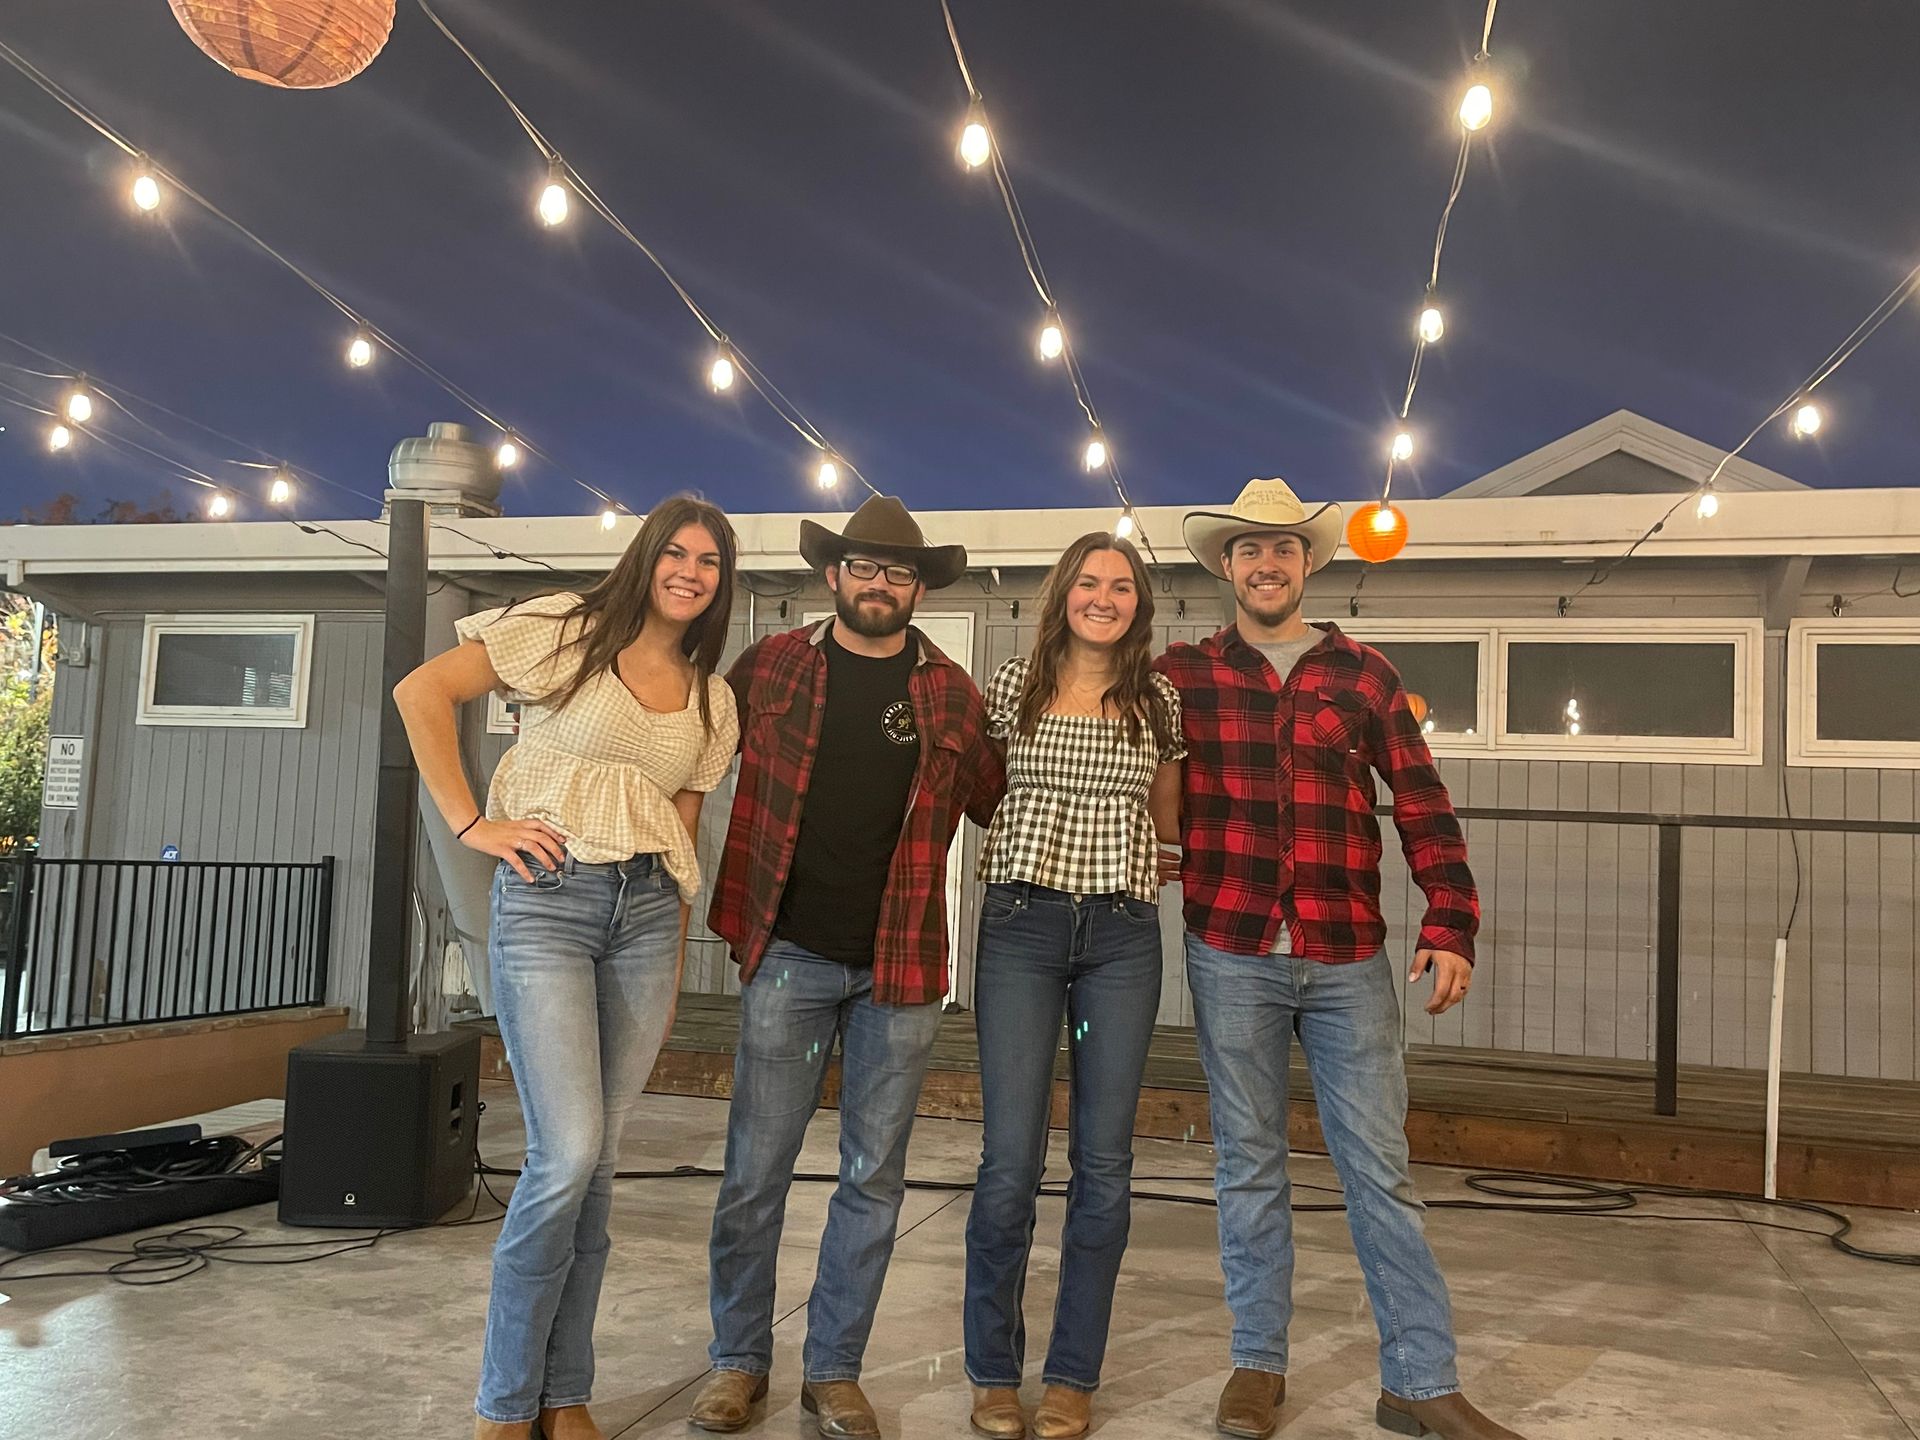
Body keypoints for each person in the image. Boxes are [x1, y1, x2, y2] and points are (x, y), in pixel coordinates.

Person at [1153, 479, 1527, 1440]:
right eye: (1248, 550)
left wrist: (1451, 923)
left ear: (1308, 563)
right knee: (1248, 1167)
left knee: (1380, 1170)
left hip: (1348, 955)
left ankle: (1419, 1378)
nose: (1266, 564)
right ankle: (1257, 1364)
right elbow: (1115, 754)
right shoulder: (1182, 676)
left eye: (1283, 549)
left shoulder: (1364, 676)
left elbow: (1423, 805)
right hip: (1229, 947)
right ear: (1226, 566)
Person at [393, 496, 741, 1440]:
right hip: (551, 899)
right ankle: (505, 1404)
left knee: (599, 1164)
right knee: (568, 1152)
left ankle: (565, 1393)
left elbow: (683, 829)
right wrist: (473, 824)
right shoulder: (567, 629)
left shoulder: (713, 699)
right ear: (645, 556)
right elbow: (421, 692)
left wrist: (668, 956)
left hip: (645, 920)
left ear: (722, 581)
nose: (689, 571)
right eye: (675, 552)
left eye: (709, 561)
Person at [690, 495, 1005, 1440]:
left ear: (918, 587)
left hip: (900, 969)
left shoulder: (952, 691)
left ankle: (834, 1371)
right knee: (755, 1171)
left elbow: (1005, 799)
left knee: (874, 1178)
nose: (879, 583)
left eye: (897, 572)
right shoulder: (771, 665)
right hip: (785, 951)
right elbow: (681, 744)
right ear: (834, 576)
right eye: (863, 567)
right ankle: (738, 1362)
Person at [962, 531, 1186, 1440]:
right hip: (1021, 924)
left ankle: (1072, 1376)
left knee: (1104, 1164)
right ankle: (990, 1370)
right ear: (1063, 594)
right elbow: (980, 788)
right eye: (1089, 582)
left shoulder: (1157, 699)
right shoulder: (1013, 686)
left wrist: (1155, 863)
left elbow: (1165, 818)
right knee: (1010, 1160)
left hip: (1122, 937)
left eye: (1121, 586)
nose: (1104, 597)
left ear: (1139, 602)